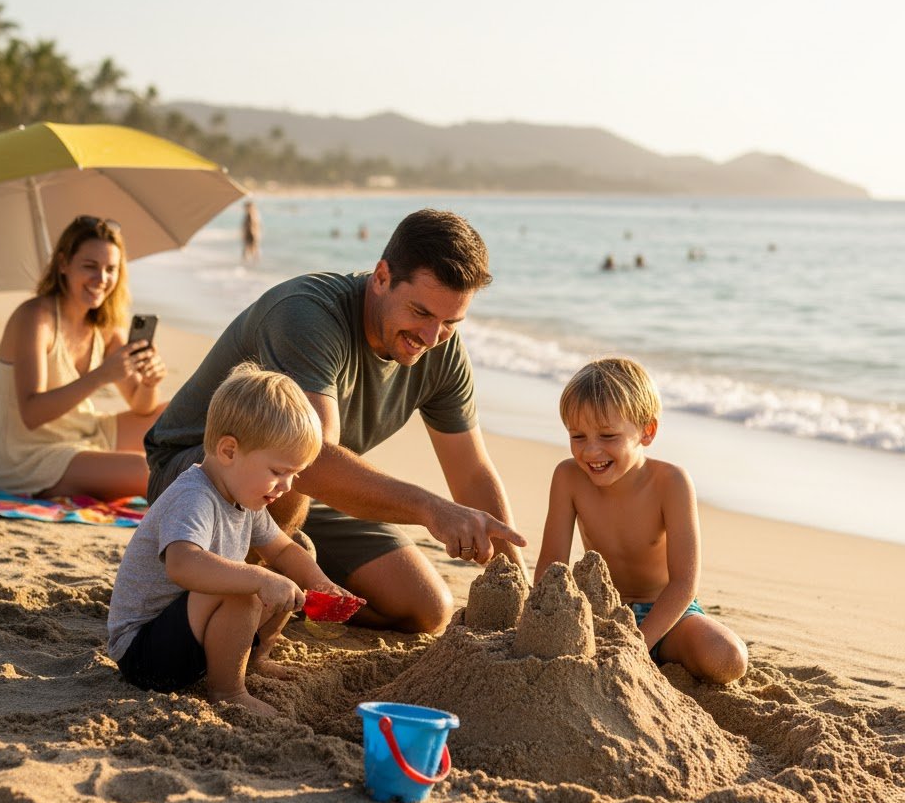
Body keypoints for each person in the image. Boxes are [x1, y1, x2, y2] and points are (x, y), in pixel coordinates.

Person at [144, 208, 528, 635]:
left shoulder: (441, 350)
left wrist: (518, 585)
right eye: (420, 312)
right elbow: (313, 464)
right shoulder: (307, 314)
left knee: (427, 608)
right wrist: (431, 509)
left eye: (450, 322)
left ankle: (287, 593)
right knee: (290, 461)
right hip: (200, 473)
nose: (431, 336)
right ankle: (238, 603)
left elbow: (471, 472)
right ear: (381, 277)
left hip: (298, 487)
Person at [108, 363, 348, 718]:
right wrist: (258, 578)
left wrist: (320, 583)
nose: (287, 486)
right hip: (146, 652)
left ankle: (253, 657)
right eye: (278, 472)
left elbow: (283, 549)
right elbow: (182, 564)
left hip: (192, 635)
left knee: (293, 560)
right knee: (246, 588)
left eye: (295, 475)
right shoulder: (195, 497)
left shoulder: (242, 497)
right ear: (229, 451)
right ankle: (228, 690)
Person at [535, 357, 747, 684]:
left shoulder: (671, 483)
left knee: (727, 657)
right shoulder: (568, 477)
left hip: (665, 615)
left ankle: (655, 652)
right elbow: (552, 568)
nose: (591, 451)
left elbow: (684, 583)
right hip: (599, 611)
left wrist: (637, 644)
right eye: (578, 436)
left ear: (647, 432)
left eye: (608, 436)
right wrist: (546, 621)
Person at [0, 215, 166, 501]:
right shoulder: (35, 318)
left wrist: (149, 382)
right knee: (148, 470)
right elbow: (32, 414)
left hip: (85, 434)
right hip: (31, 455)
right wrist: (101, 376)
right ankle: (74, 480)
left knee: (179, 419)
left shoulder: (104, 326)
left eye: (111, 269)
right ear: (63, 264)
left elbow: (141, 406)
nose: (102, 279)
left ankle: (84, 479)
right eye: (90, 266)